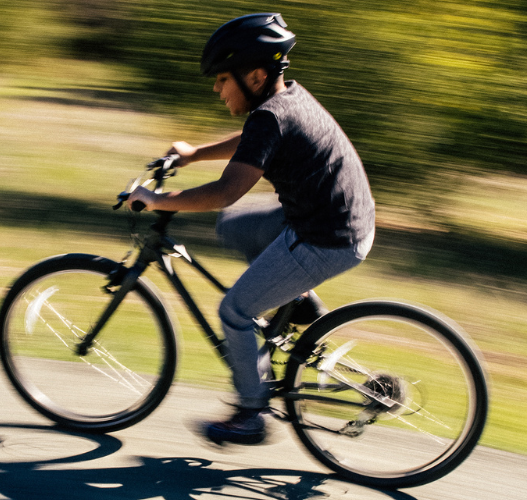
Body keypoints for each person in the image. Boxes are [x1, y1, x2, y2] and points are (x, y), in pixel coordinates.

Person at [127, 12, 375, 446]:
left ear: (256, 75)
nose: (217, 89)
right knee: (236, 227)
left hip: (327, 237)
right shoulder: (283, 102)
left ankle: (250, 414)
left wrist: (160, 201)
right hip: (332, 218)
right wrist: (192, 154)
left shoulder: (272, 116)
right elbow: (252, 145)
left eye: (223, 79)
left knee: (234, 312)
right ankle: (298, 302)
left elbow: (227, 190)